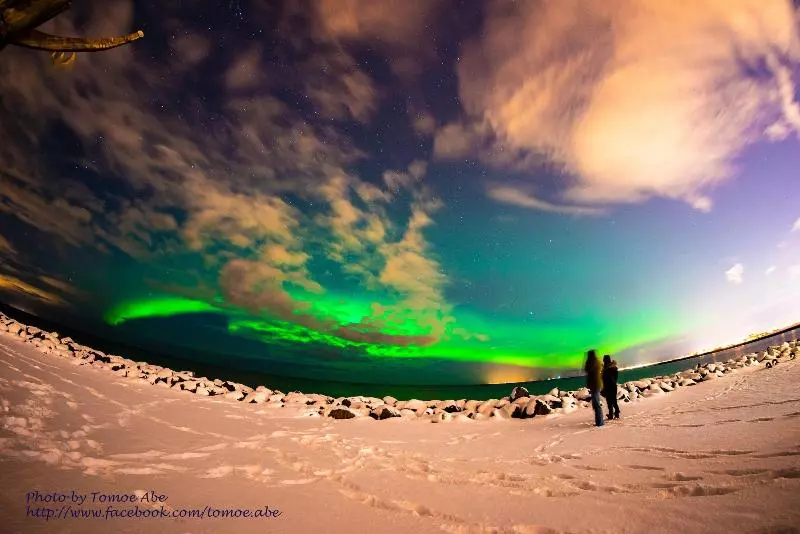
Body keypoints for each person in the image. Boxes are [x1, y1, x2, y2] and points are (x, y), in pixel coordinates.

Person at [584, 349, 604, 427]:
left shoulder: (591, 362)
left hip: (594, 385)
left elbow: (586, 369)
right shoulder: (597, 362)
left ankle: (599, 422)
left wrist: (586, 361)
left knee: (596, 404)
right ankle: (599, 421)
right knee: (596, 404)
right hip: (597, 384)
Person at [602, 355, 620, 420]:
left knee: (610, 401)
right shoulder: (613, 368)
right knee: (613, 401)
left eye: (604, 359)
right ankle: (614, 414)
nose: (603, 361)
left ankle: (613, 414)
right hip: (612, 386)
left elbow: (605, 378)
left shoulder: (607, 369)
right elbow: (614, 378)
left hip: (609, 387)